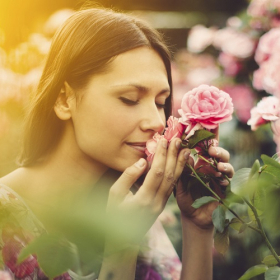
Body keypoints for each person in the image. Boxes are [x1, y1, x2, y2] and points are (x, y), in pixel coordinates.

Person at [0, 7, 234, 280]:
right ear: (64, 100)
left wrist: (198, 226)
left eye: (160, 103)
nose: (157, 122)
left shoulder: (131, 209)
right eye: (129, 99)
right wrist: (121, 246)